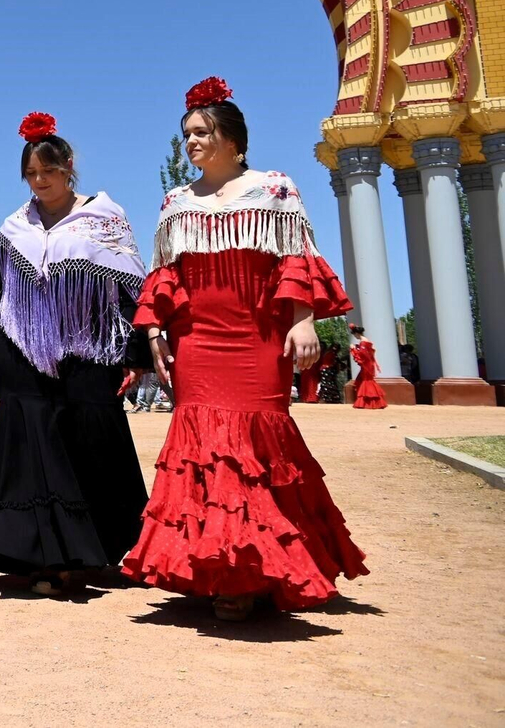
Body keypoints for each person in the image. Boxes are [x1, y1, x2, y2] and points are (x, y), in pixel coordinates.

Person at [123, 77, 366, 620]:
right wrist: (156, 335)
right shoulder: (176, 200)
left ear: (232, 138)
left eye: (202, 132)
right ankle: (219, 569)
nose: (191, 142)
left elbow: (295, 261)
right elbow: (166, 276)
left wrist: (302, 322)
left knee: (259, 449)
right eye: (186, 134)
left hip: (258, 337)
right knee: (202, 447)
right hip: (196, 340)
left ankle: (261, 567)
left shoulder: (275, 189)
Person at [0, 113, 150, 592]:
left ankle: (93, 551)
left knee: (90, 440)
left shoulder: (106, 219)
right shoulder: (13, 228)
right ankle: (39, 554)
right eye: (31, 174)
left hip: (89, 351)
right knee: (32, 447)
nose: (40, 181)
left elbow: (131, 290)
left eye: (48, 171)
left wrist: (135, 353)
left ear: (68, 168)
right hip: (20, 348)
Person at [349, 326, 387, 409]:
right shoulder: (367, 341)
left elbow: (362, 355)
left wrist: (353, 349)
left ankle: (368, 402)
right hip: (369, 364)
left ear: (357, 333)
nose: (354, 336)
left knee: (366, 381)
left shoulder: (363, 342)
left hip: (366, 365)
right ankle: (372, 402)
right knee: (363, 380)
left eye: (354, 334)